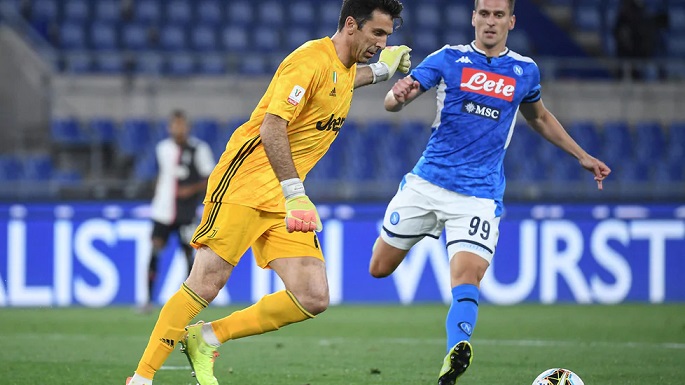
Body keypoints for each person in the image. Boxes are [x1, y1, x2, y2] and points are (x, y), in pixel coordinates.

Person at [125, 1, 412, 384]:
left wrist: (381, 70)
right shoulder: (307, 60)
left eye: (387, 36)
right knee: (206, 282)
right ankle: (141, 379)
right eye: (377, 33)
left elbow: (345, 79)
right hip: (244, 183)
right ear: (350, 25)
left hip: (279, 195)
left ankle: (207, 337)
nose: (382, 41)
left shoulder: (342, 67)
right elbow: (272, 127)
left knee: (312, 295)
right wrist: (295, 192)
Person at [368, 1, 611, 384]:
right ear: (474, 18)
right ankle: (455, 342)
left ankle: (456, 350)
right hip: (427, 184)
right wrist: (396, 96)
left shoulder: (525, 72)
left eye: (499, 15)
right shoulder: (448, 59)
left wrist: (581, 155)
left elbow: (540, 117)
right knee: (379, 268)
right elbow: (396, 99)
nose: (491, 21)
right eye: (484, 13)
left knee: (467, 277)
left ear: (511, 21)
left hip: (478, 196)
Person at [142, 109, 215, 313]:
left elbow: (210, 177)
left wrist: (191, 189)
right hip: (162, 211)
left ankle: (191, 302)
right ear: (169, 127)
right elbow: (163, 176)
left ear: (188, 127)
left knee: (189, 255)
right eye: (175, 125)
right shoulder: (162, 148)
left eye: (182, 124)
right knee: (155, 250)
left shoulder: (199, 149)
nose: (178, 129)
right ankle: (147, 300)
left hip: (186, 212)